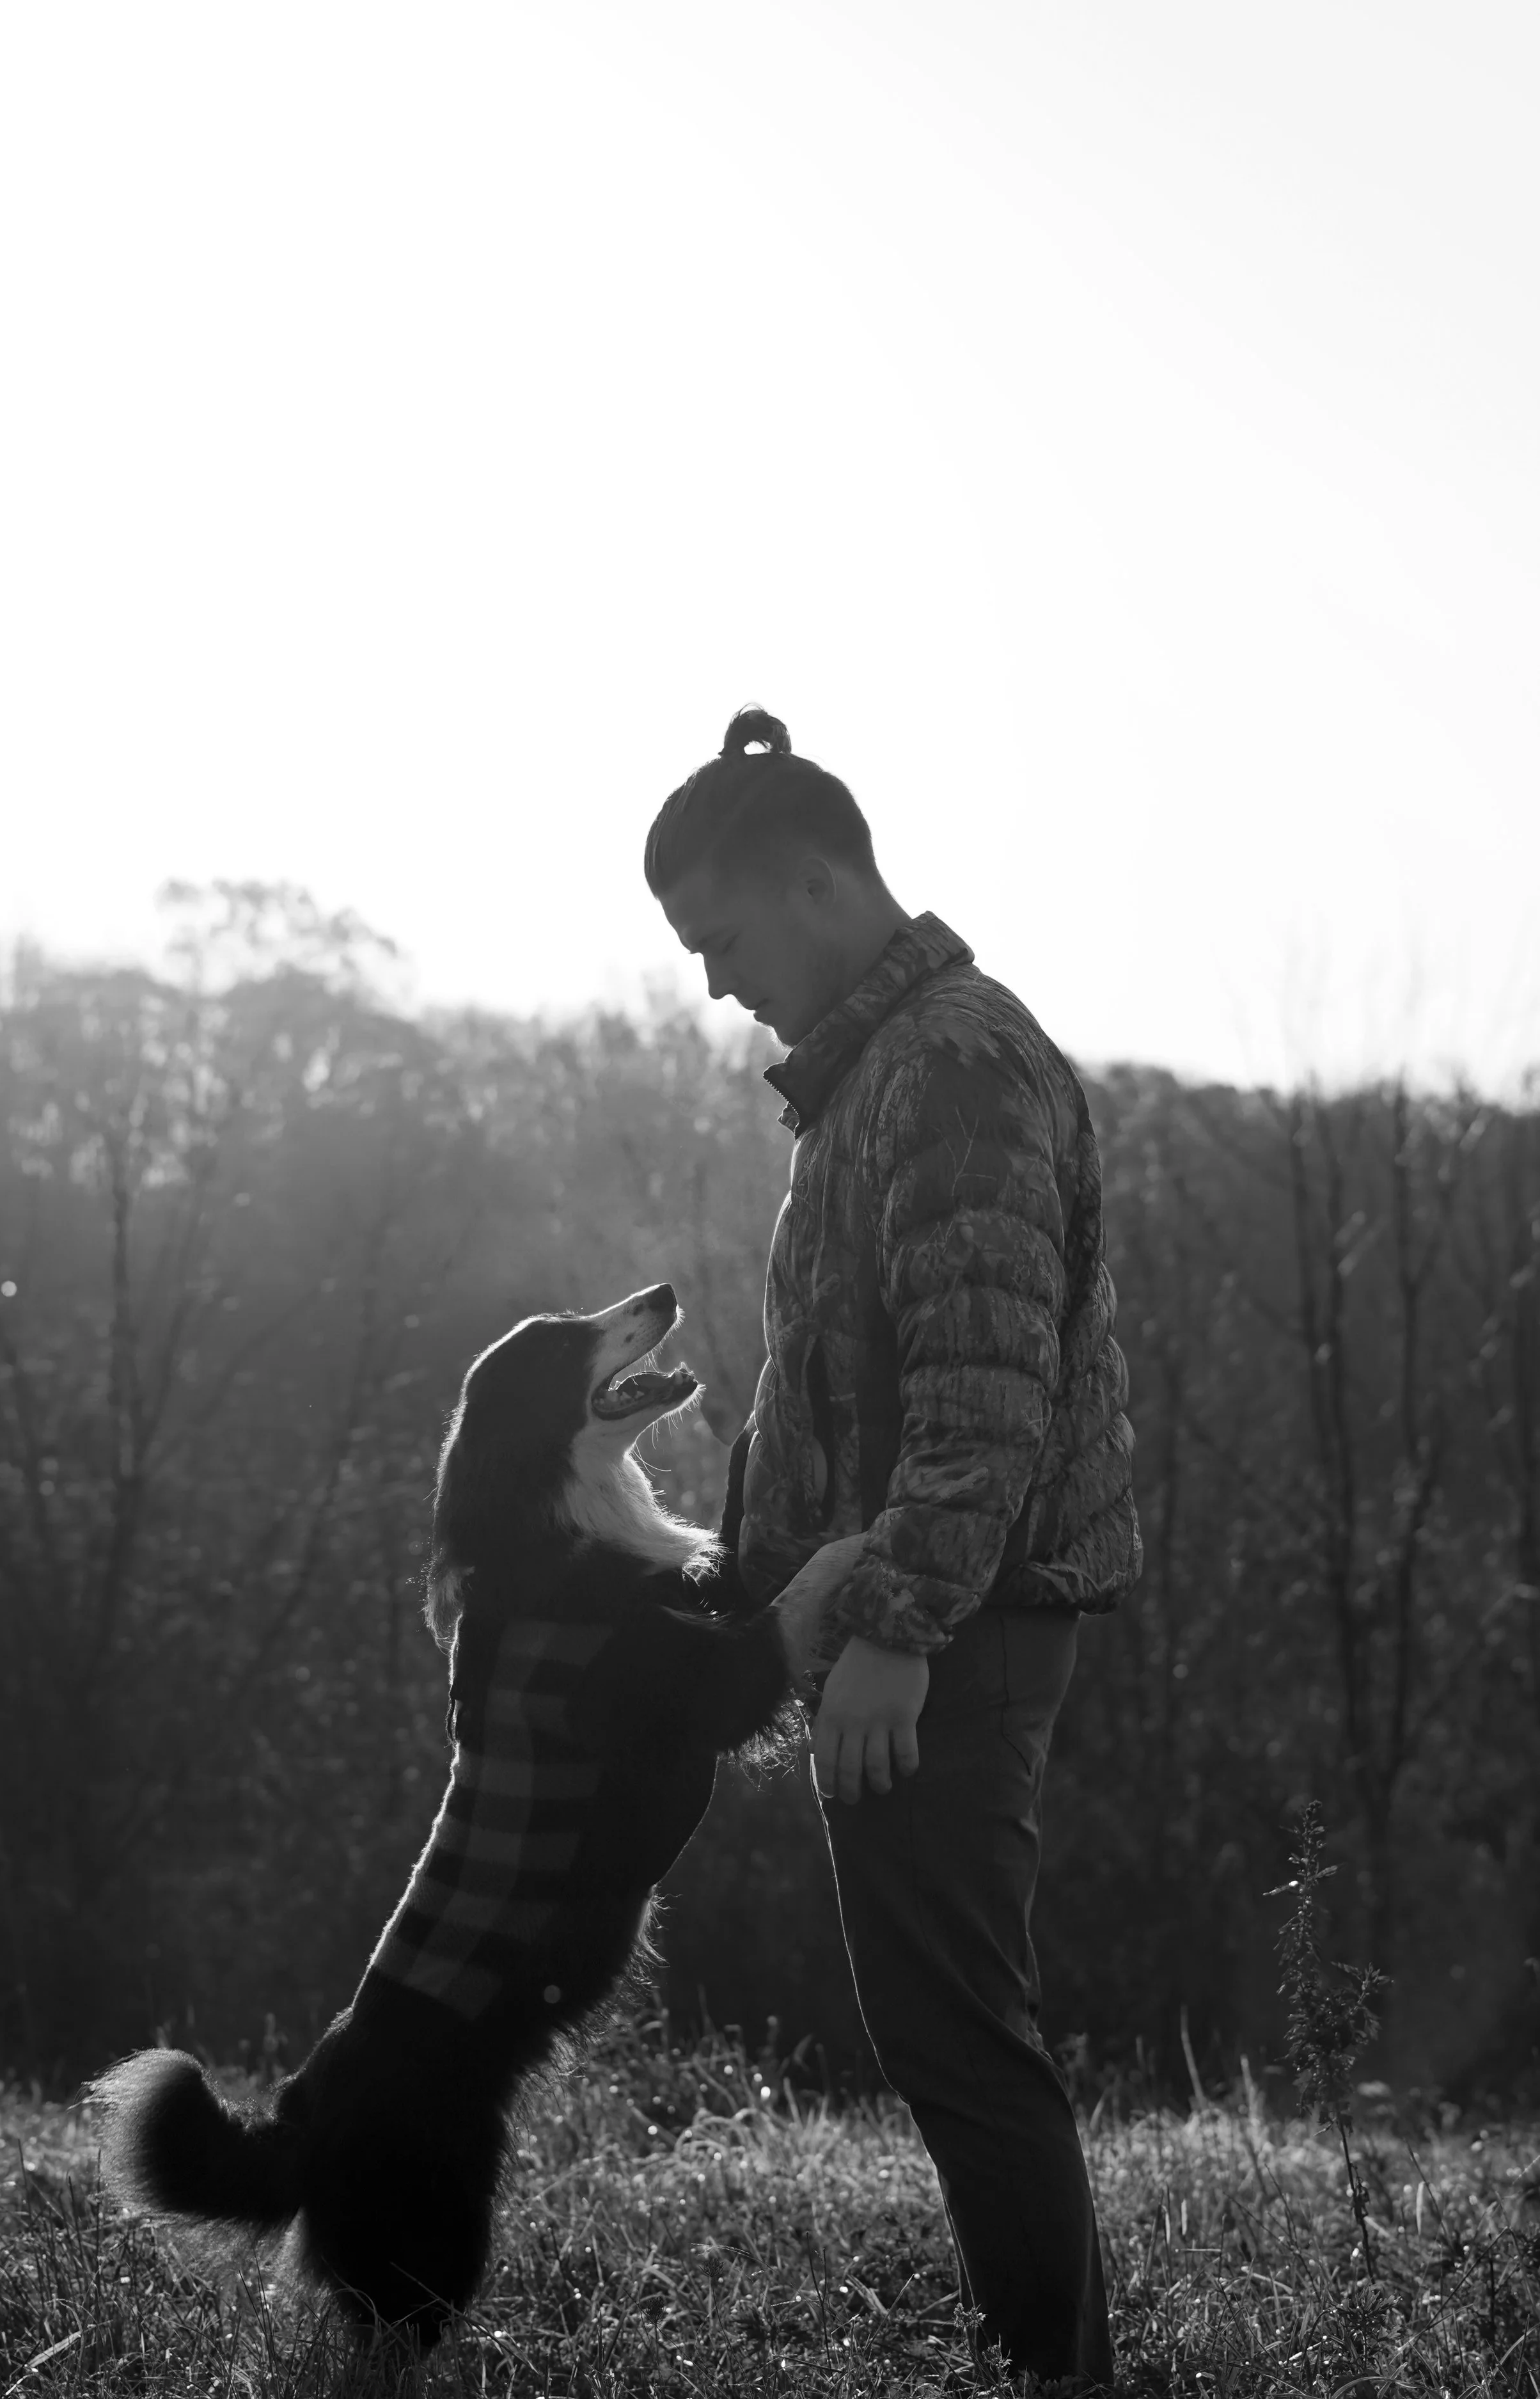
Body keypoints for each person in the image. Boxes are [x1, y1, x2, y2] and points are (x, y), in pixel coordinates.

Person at [644, 707, 1142, 2389]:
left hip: (949, 1631)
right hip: (914, 1619)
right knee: (946, 2030)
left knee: (960, 2037)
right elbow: (841, 1381)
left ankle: (1057, 2374)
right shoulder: (877, 1075)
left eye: (722, 941)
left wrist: (897, 1626)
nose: (717, 984)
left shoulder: (950, 1071)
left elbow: (981, 1395)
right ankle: (1054, 2361)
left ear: (818, 883)